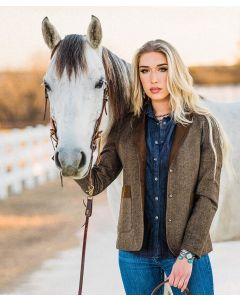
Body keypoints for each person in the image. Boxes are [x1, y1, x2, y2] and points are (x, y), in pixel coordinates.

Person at [75, 39, 231, 295]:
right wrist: (72, 156)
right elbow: (96, 182)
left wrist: (187, 256)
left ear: (175, 71)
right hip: (135, 256)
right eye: (145, 70)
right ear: (138, 76)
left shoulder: (203, 125)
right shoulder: (125, 127)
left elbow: (208, 197)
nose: (153, 79)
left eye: (162, 68)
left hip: (185, 254)